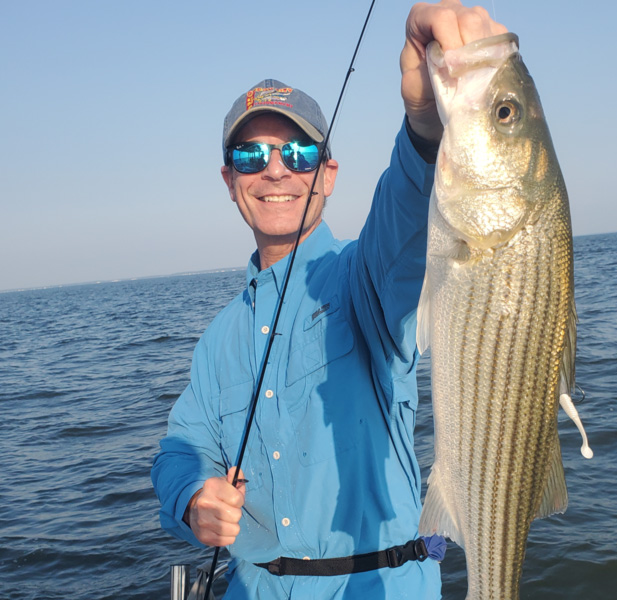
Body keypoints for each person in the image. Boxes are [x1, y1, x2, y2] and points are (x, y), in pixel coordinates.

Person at [151, 2, 507, 598]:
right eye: (250, 156)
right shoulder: (218, 340)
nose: (275, 172)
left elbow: (404, 222)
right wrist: (191, 497)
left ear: (329, 173)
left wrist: (423, 123)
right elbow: (180, 447)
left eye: (297, 154)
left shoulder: (363, 279)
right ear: (229, 181)